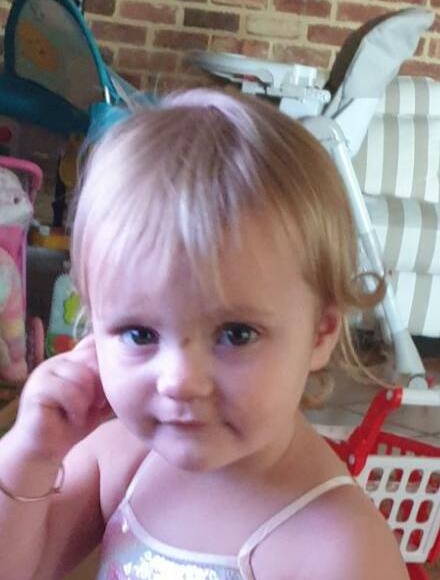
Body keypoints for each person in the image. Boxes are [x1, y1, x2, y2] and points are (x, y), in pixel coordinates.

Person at [0, 89, 409, 580]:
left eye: (236, 334)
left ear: (320, 333)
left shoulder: (338, 548)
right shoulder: (124, 457)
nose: (179, 381)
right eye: (139, 333)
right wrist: (30, 455)